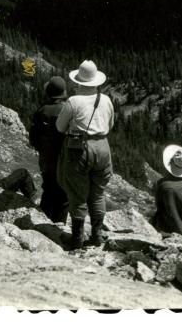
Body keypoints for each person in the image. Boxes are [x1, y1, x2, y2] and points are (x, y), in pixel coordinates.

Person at [56, 60, 115, 250]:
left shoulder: (74, 101)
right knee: (98, 193)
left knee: (77, 192)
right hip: (103, 146)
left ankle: (77, 239)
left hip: (80, 148)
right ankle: (96, 236)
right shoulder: (105, 99)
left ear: (79, 82)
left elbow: (59, 127)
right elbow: (111, 125)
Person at [29, 76, 70, 223]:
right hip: (64, 161)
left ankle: (43, 224)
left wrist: (42, 148)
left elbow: (33, 138)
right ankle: (59, 227)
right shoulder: (68, 109)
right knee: (64, 196)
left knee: (48, 191)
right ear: (63, 92)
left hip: (47, 160)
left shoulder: (42, 111)